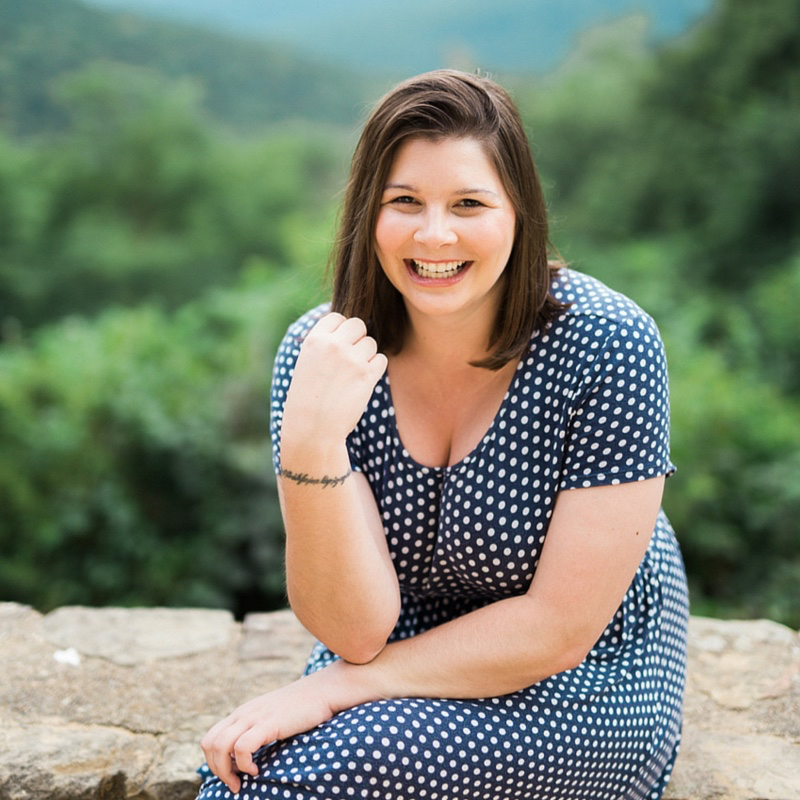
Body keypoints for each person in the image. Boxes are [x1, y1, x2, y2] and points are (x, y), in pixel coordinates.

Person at [197, 69, 689, 800]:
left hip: (583, 682)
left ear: (519, 214)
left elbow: (557, 630)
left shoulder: (608, 344)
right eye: (404, 202)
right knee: (254, 771)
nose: (434, 234)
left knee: (297, 775)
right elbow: (353, 631)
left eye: (468, 203)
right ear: (368, 214)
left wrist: (337, 688)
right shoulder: (322, 356)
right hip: (386, 658)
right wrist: (310, 446)